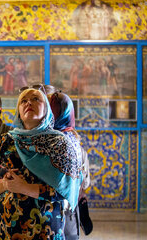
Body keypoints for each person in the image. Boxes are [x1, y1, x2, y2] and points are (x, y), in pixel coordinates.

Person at [0, 88, 83, 239]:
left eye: (36, 99)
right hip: (7, 227)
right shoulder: (7, 140)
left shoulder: (60, 144)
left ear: (47, 109)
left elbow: (64, 190)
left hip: (44, 229)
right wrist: (4, 184)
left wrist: (24, 187)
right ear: (19, 112)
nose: (29, 102)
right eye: (23, 100)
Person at [49, 91, 92, 239]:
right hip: (69, 211)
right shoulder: (74, 140)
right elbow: (84, 182)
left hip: (54, 213)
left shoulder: (48, 142)